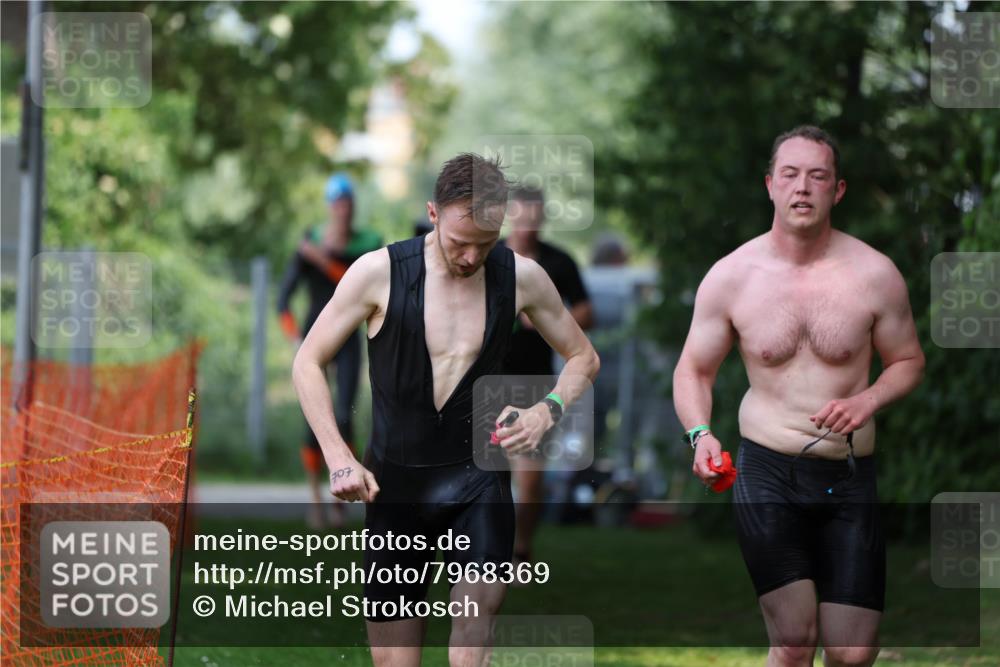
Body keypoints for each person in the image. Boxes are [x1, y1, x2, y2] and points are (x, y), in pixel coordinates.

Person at [292, 153, 600, 666]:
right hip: (395, 485)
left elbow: (583, 356)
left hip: (478, 479)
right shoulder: (378, 273)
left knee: (470, 649)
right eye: (461, 242)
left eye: (486, 243)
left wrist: (547, 410)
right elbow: (308, 361)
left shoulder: (522, 277)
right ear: (433, 214)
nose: (472, 258)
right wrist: (338, 456)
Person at [672, 126, 924, 667]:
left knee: (853, 653)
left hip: (849, 474)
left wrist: (868, 401)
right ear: (770, 185)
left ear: (838, 190)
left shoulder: (875, 275)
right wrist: (701, 435)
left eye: (817, 176)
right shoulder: (733, 276)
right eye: (790, 174)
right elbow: (693, 369)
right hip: (767, 470)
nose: (802, 188)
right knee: (793, 641)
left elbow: (908, 361)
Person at [277, 173, 382, 528]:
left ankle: (342, 500)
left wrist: (321, 257)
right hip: (315, 340)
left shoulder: (366, 244)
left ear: (353, 207)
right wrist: (294, 339)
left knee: (344, 415)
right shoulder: (309, 243)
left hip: (348, 340)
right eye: (337, 203)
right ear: (329, 206)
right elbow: (282, 302)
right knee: (314, 418)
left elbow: (360, 287)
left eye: (348, 203)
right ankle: (315, 501)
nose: (343, 210)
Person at [501, 186, 593, 567]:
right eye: (521, 217)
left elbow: (586, 311)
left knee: (531, 481)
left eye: (534, 218)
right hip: (483, 381)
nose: (527, 226)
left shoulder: (558, 263)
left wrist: (546, 322)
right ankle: (488, 552)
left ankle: (522, 547)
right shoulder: (490, 257)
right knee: (486, 477)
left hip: (536, 384)